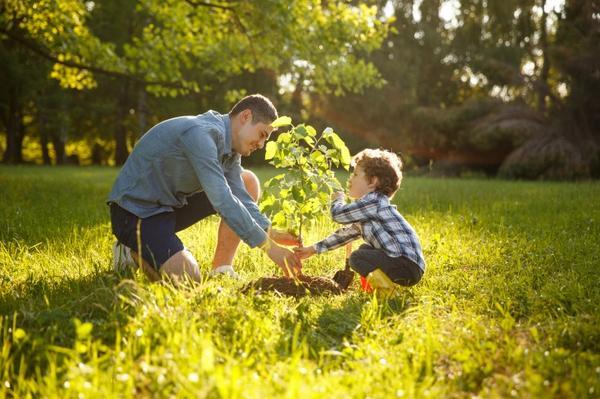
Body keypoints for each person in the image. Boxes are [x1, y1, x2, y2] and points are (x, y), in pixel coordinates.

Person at [108, 94, 301, 282]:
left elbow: (241, 197)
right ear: (245, 116)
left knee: (247, 181)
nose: (260, 144)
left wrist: (270, 231)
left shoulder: (232, 151)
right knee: (189, 278)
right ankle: (130, 249)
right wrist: (271, 248)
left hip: (168, 206)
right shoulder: (201, 134)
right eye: (262, 135)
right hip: (135, 212)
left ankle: (222, 269)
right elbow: (223, 200)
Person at [294, 148, 425, 289]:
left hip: (405, 263)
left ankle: (386, 291)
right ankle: (372, 288)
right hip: (408, 265)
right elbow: (345, 235)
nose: (350, 179)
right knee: (364, 250)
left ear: (372, 182)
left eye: (355, 174)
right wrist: (313, 249)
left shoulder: (374, 202)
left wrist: (337, 200)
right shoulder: (370, 210)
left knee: (357, 258)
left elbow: (338, 215)